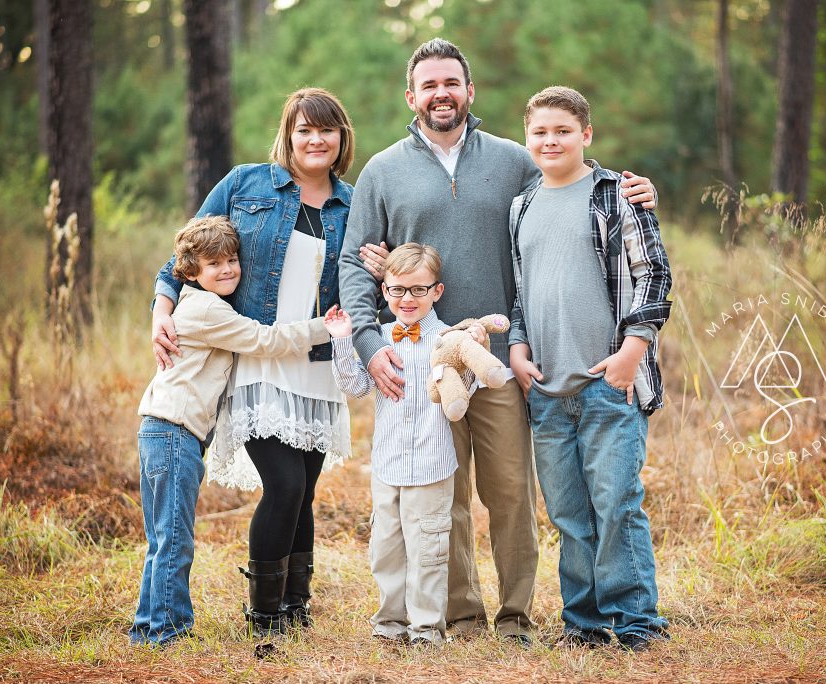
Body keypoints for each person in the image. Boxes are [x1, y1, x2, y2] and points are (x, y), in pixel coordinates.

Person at [338, 38, 659, 645]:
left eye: (451, 83)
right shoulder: (382, 171)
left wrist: (639, 195)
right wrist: (367, 341)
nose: (441, 94)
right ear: (412, 96)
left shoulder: (513, 160)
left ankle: (516, 616)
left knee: (512, 492)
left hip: (502, 361)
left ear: (470, 91)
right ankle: (461, 615)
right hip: (423, 363)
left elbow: (574, 177)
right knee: (445, 495)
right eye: (429, 85)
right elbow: (357, 264)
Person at [150, 88, 382, 643]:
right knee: (281, 485)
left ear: (341, 138)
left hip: (318, 360)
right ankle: (263, 613)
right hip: (259, 356)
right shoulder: (245, 184)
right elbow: (183, 255)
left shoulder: (354, 204)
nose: (315, 140)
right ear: (290, 133)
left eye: (326, 130)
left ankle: (296, 604)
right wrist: (161, 309)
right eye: (305, 129)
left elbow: (376, 276)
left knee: (304, 485)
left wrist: (380, 263)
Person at [508, 86, 672, 651]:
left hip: (610, 382)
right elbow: (522, 291)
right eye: (540, 132)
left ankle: (635, 622)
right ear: (527, 137)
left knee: (617, 503)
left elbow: (653, 275)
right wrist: (518, 347)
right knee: (568, 513)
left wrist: (633, 351)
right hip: (548, 390)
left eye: (563, 131)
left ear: (586, 135)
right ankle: (583, 623)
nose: (550, 141)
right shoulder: (523, 205)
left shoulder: (617, 196)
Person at [131, 216, 329, 647]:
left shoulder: (200, 304)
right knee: (175, 539)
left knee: (164, 535)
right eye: (214, 263)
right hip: (172, 433)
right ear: (189, 272)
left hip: (166, 432)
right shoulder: (207, 311)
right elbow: (264, 341)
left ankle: (147, 626)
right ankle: (167, 631)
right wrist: (323, 327)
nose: (227, 270)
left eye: (233, 260)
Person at [326, 243, 483, 646]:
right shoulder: (377, 339)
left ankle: (427, 628)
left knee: (429, 549)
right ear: (384, 291)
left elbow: (465, 392)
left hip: (432, 465)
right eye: (397, 290)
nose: (407, 299)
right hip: (388, 465)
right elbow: (356, 385)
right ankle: (389, 625)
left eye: (418, 289)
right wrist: (345, 340)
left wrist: (469, 359)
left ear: (437, 291)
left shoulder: (450, 340)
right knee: (386, 549)